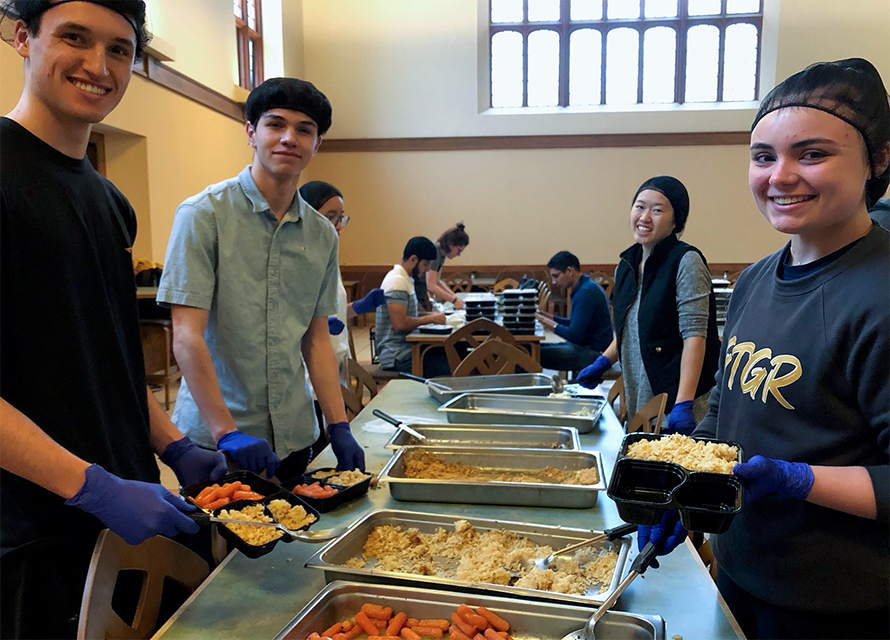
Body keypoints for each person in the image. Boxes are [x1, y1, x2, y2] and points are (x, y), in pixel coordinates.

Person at [0, 2, 226, 638]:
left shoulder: (109, 202)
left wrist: (173, 445)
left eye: (120, 49)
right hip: (28, 535)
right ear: (23, 37)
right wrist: (89, 485)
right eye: (74, 38)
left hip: (122, 516)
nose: (99, 66)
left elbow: (108, 360)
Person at [645, 58, 890, 639]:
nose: (780, 176)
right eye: (763, 156)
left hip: (838, 603)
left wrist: (798, 479)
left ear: (879, 160)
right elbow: (727, 413)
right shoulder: (757, 279)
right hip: (740, 573)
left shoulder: (878, 292)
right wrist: (682, 484)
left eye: (812, 154)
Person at [158, 78, 364, 483]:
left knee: (296, 541)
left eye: (304, 130)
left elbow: (316, 338)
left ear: (316, 144)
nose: (289, 138)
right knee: (223, 547)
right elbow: (187, 336)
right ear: (252, 132)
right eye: (275, 124)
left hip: (294, 434)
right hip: (217, 437)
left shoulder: (322, 234)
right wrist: (226, 431)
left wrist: (338, 423)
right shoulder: (204, 215)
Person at [577, 176, 720, 434]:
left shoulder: (686, 261)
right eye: (639, 206)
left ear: (676, 221)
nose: (644, 217)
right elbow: (630, 328)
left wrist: (684, 403)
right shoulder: (627, 264)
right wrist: (604, 361)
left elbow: (695, 336)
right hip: (640, 392)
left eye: (657, 210)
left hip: (680, 399)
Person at [299, 180, 387, 381]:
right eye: (331, 217)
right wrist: (314, 327)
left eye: (341, 217)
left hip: (335, 362)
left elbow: (332, 314)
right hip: (309, 372)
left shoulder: (328, 258)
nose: (339, 225)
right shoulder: (298, 262)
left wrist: (358, 307)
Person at [376, 237, 449, 376]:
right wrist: (431, 319)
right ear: (414, 259)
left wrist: (434, 316)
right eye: (426, 264)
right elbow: (400, 324)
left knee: (456, 352)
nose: (428, 270)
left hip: (406, 349)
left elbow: (412, 314)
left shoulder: (406, 279)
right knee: (453, 362)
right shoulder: (397, 281)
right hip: (395, 355)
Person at [536, 251, 613, 372]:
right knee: (532, 349)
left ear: (569, 271)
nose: (554, 282)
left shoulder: (586, 292)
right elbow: (574, 324)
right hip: (587, 348)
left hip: (595, 354)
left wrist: (545, 321)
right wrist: (547, 316)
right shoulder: (584, 287)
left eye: (556, 276)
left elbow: (574, 335)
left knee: (528, 354)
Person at [414, 223, 470, 311]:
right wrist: (454, 300)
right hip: (416, 292)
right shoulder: (436, 252)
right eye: (459, 250)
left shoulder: (442, 254)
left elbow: (437, 281)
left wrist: (455, 297)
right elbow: (431, 285)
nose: (458, 254)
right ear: (451, 244)